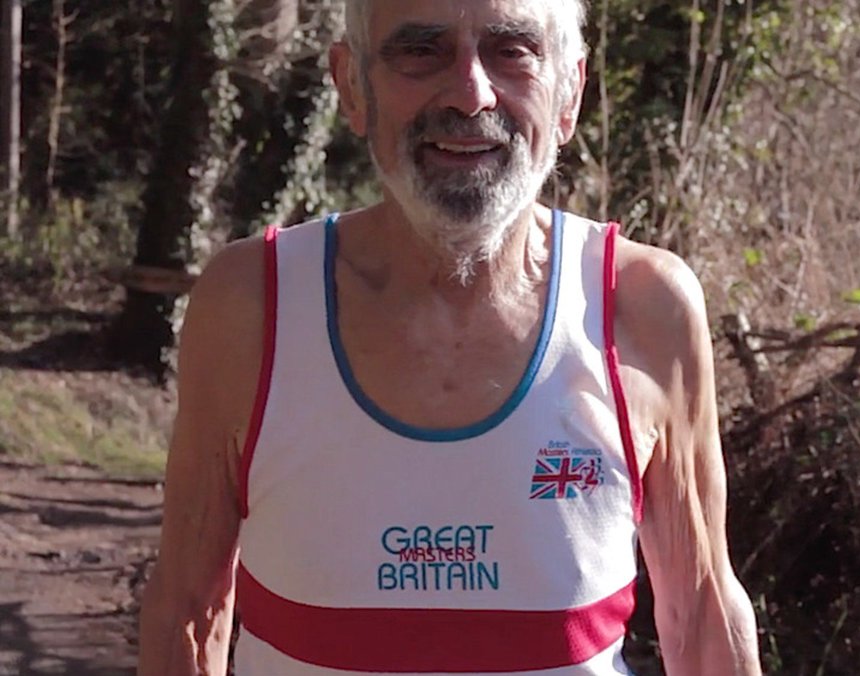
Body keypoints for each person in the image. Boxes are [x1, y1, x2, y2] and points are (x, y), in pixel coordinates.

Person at [137, 0, 762, 673]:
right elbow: (189, 612)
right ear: (352, 87)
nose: (471, 94)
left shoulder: (642, 307)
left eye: (512, 51)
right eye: (420, 51)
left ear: (569, 94)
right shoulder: (253, 302)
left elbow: (701, 610)